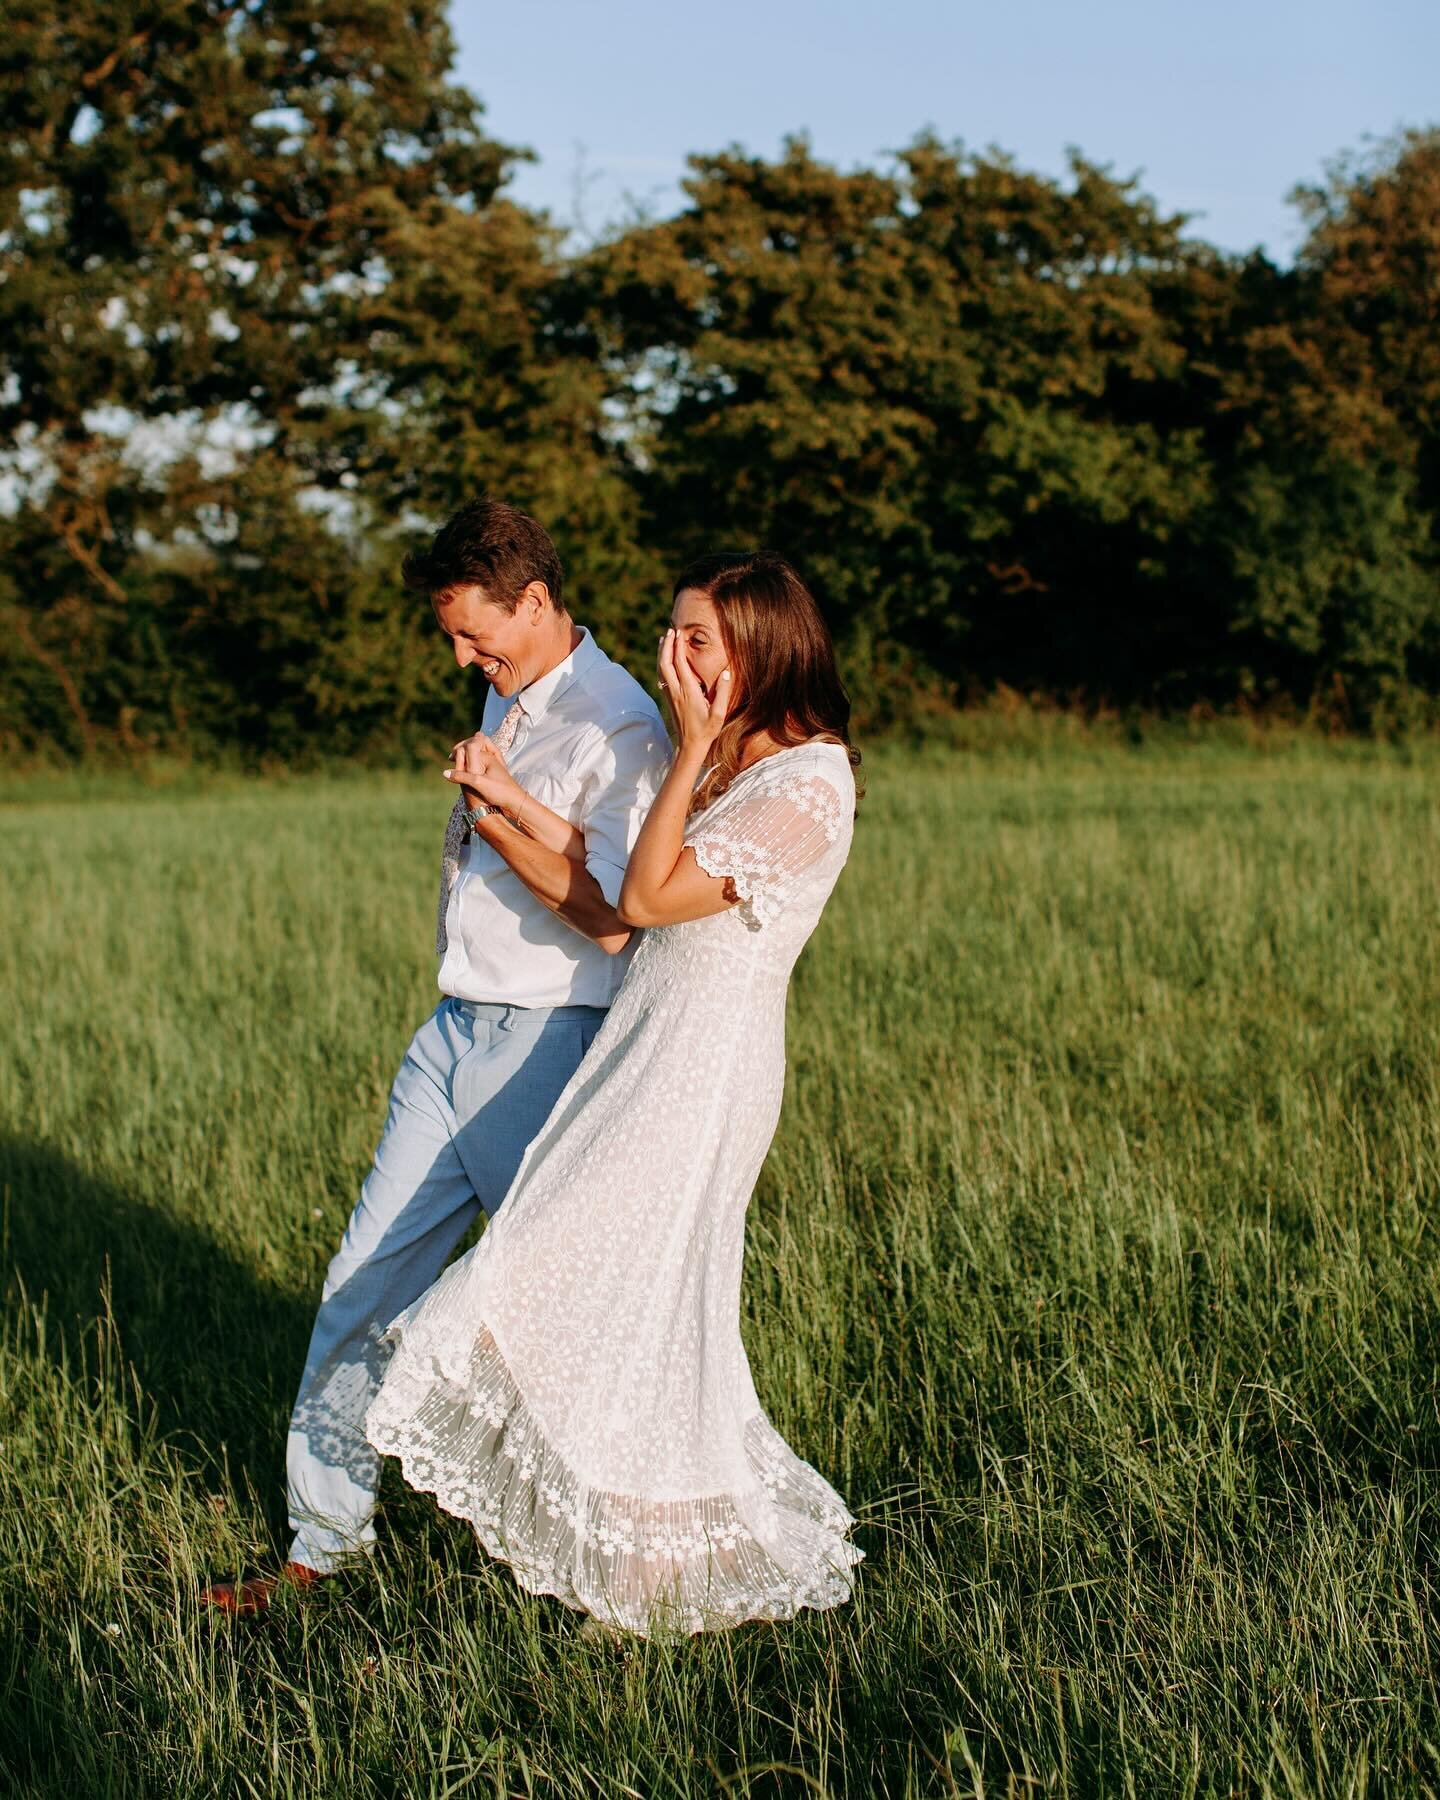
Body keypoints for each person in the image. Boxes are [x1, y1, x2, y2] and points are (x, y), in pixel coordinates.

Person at [364, 550, 864, 1637]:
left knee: (558, 1282)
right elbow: (615, 868)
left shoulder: (810, 781)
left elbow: (646, 893)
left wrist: (687, 751)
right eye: (671, 634)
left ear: (767, 652)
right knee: (621, 1305)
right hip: (639, 1047)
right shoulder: (736, 764)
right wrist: (508, 803)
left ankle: (650, 1566)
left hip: (703, 1069)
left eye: (700, 642)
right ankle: (631, 1574)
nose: (674, 659)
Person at [203, 499, 671, 1614]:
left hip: (550, 1043)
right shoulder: (507, 691)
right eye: (455, 638)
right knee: (362, 1284)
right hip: (453, 1031)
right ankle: (322, 1549)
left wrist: (501, 809)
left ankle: (610, 1568)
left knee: (557, 1323)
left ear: (538, 602)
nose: (463, 657)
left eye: (475, 633)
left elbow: (613, 916)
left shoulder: (619, 727)